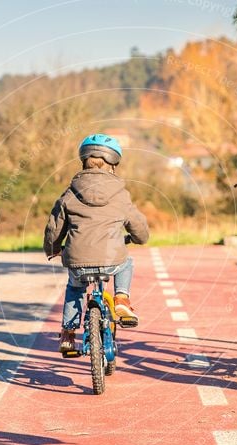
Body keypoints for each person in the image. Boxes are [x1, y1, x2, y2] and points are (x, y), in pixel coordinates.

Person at [44, 133, 149, 353]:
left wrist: (53, 249)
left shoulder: (69, 194)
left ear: (83, 162)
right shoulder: (121, 194)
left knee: (75, 287)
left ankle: (69, 334)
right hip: (112, 259)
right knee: (126, 262)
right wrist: (140, 239)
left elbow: (55, 227)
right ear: (113, 165)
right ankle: (121, 299)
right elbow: (137, 225)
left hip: (77, 260)